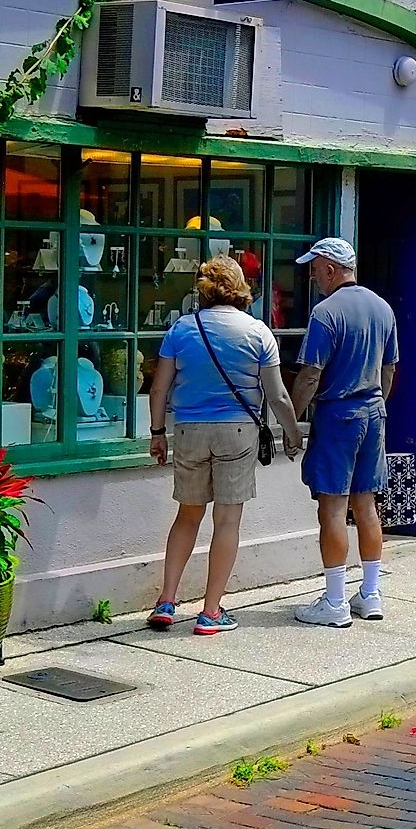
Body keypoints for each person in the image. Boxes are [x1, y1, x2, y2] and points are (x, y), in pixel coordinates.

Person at [146, 256, 299, 636]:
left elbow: (159, 388)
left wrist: (157, 432)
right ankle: (210, 611)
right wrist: (292, 432)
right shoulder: (258, 332)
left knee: (187, 515)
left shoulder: (182, 329)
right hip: (236, 431)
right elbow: (276, 394)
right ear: (241, 287)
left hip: (190, 429)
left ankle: (166, 599)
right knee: (227, 521)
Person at [288, 236, 398, 628]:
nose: (313, 276)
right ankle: (370, 593)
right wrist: (378, 403)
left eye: (315, 269)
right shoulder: (382, 308)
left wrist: (289, 421)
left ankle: (334, 600)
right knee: (365, 504)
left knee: (332, 507)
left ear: (331, 269)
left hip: (337, 414)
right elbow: (388, 370)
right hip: (373, 412)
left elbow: (310, 375)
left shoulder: (325, 312)